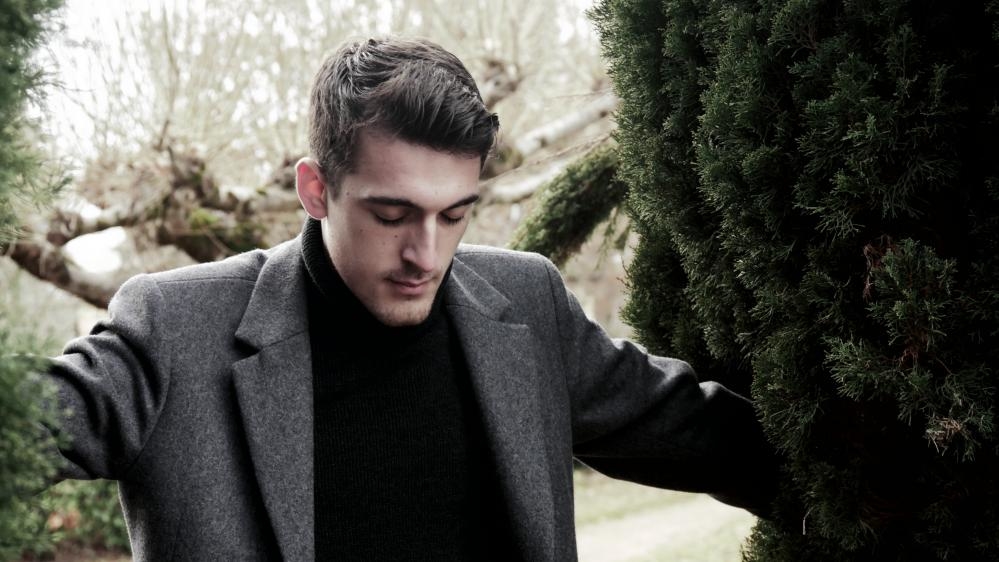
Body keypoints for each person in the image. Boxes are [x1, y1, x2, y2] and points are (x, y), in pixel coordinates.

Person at [45, 36, 778, 561]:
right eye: (392, 215)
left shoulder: (527, 301)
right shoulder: (175, 327)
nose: (425, 256)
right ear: (315, 189)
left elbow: (712, 440)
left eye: (453, 215)